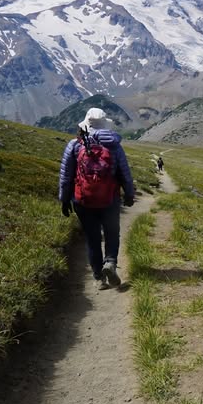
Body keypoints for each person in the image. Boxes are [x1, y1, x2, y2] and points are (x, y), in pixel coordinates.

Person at [58, 108, 136, 290]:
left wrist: (64, 199)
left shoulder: (75, 145)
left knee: (92, 238)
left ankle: (98, 278)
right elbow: (125, 173)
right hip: (110, 199)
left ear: (85, 125)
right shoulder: (115, 146)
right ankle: (110, 262)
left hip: (83, 201)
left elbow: (66, 175)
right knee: (111, 233)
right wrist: (130, 194)